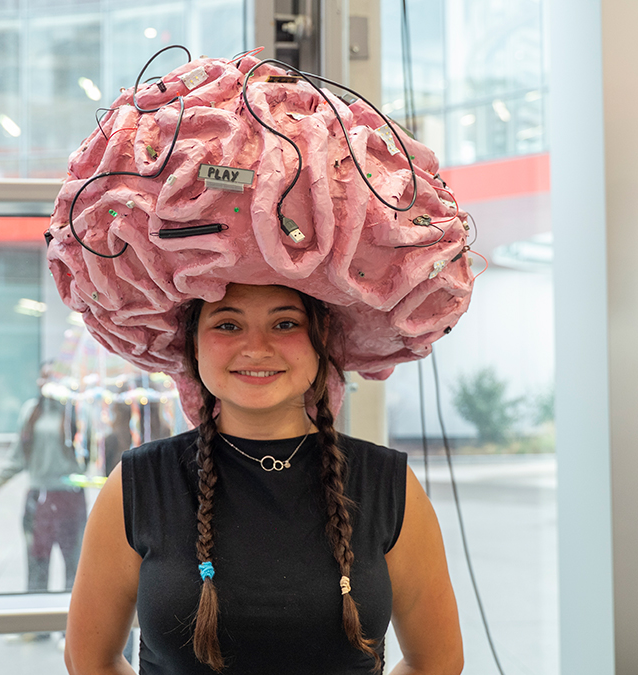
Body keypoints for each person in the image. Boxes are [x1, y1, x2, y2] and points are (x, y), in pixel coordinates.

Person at [49, 49, 476, 673]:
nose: (257, 347)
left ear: (322, 342)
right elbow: (90, 661)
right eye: (227, 324)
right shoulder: (138, 488)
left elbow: (438, 664)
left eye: (285, 323)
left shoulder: (388, 490)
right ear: (193, 347)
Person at [0, 362, 87, 597]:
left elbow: (95, 453)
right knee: (37, 561)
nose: (45, 383)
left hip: (70, 497)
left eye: (53, 378)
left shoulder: (79, 412)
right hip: (39, 497)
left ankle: (72, 629)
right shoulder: (31, 410)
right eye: (43, 378)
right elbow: (18, 454)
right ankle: (39, 631)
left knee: (75, 566)